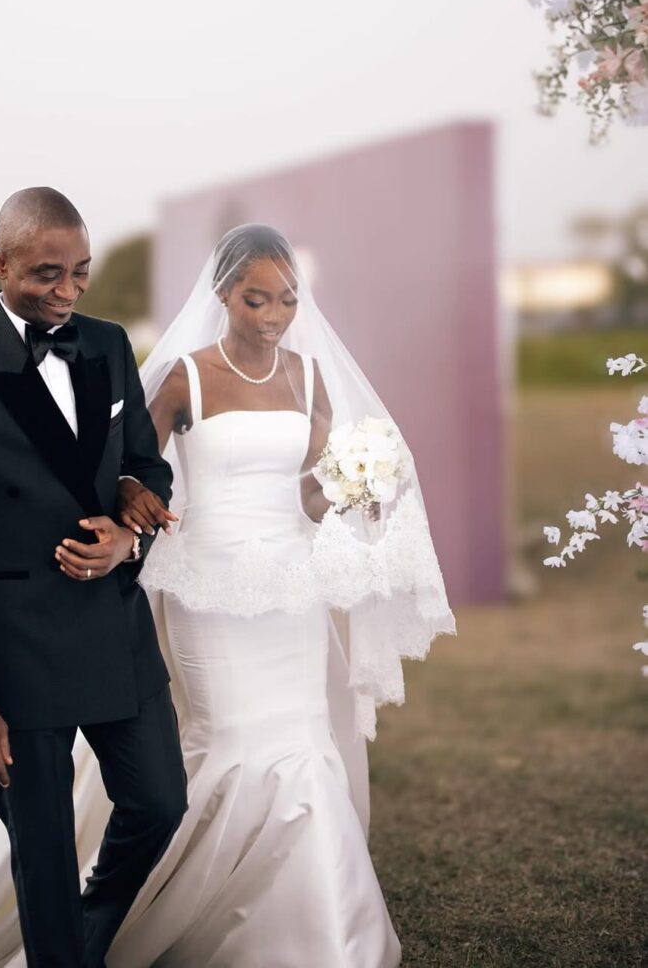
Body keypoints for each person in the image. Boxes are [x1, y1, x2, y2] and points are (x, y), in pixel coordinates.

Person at [104, 224, 456, 967]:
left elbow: (309, 496)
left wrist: (356, 489)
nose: (273, 316)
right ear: (223, 293)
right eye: (255, 299)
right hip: (208, 583)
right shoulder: (184, 377)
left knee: (302, 743)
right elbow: (131, 469)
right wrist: (133, 498)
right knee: (231, 742)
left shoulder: (309, 377)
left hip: (292, 585)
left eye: (288, 300)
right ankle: (184, 920)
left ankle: (318, 930)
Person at [0, 186, 186, 967]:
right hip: (16, 651)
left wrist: (130, 529)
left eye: (80, 271)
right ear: (0, 264)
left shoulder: (109, 345)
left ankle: (82, 936)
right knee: (42, 859)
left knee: (160, 800)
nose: (69, 290)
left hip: (112, 625)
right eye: (48, 273)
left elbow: (145, 462)